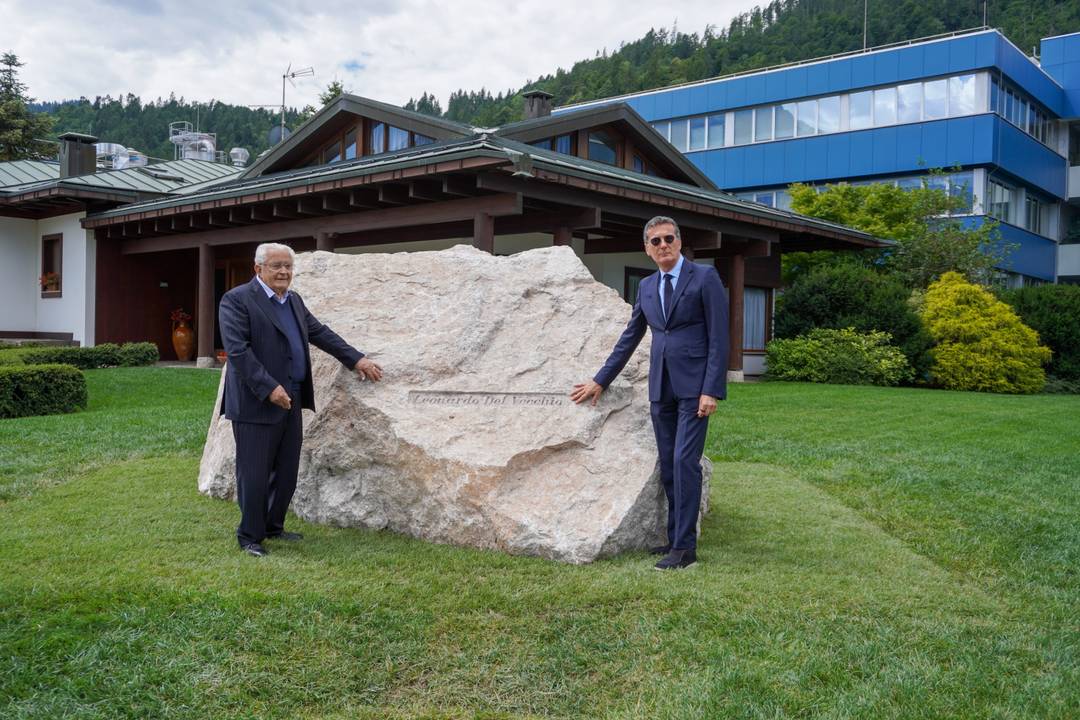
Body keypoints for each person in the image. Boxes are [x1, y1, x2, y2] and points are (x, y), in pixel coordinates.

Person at [571, 216, 729, 570]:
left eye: (668, 238)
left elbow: (720, 336)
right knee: (669, 468)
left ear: (679, 240)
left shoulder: (704, 277)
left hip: (695, 389)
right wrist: (601, 380)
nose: (663, 246)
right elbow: (631, 336)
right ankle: (673, 539)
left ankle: (685, 550)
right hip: (661, 388)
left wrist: (711, 390)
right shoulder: (645, 286)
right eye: (655, 241)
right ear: (647, 248)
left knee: (685, 463)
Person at [218, 242, 383, 557]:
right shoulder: (237, 300)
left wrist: (356, 360)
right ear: (258, 269)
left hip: (291, 397)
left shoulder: (292, 301)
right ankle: (250, 537)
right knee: (253, 473)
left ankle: (273, 526)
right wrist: (269, 388)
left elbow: (320, 333)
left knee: (286, 469)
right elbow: (238, 351)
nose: (283, 272)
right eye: (276, 266)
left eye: (287, 267)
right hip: (257, 401)